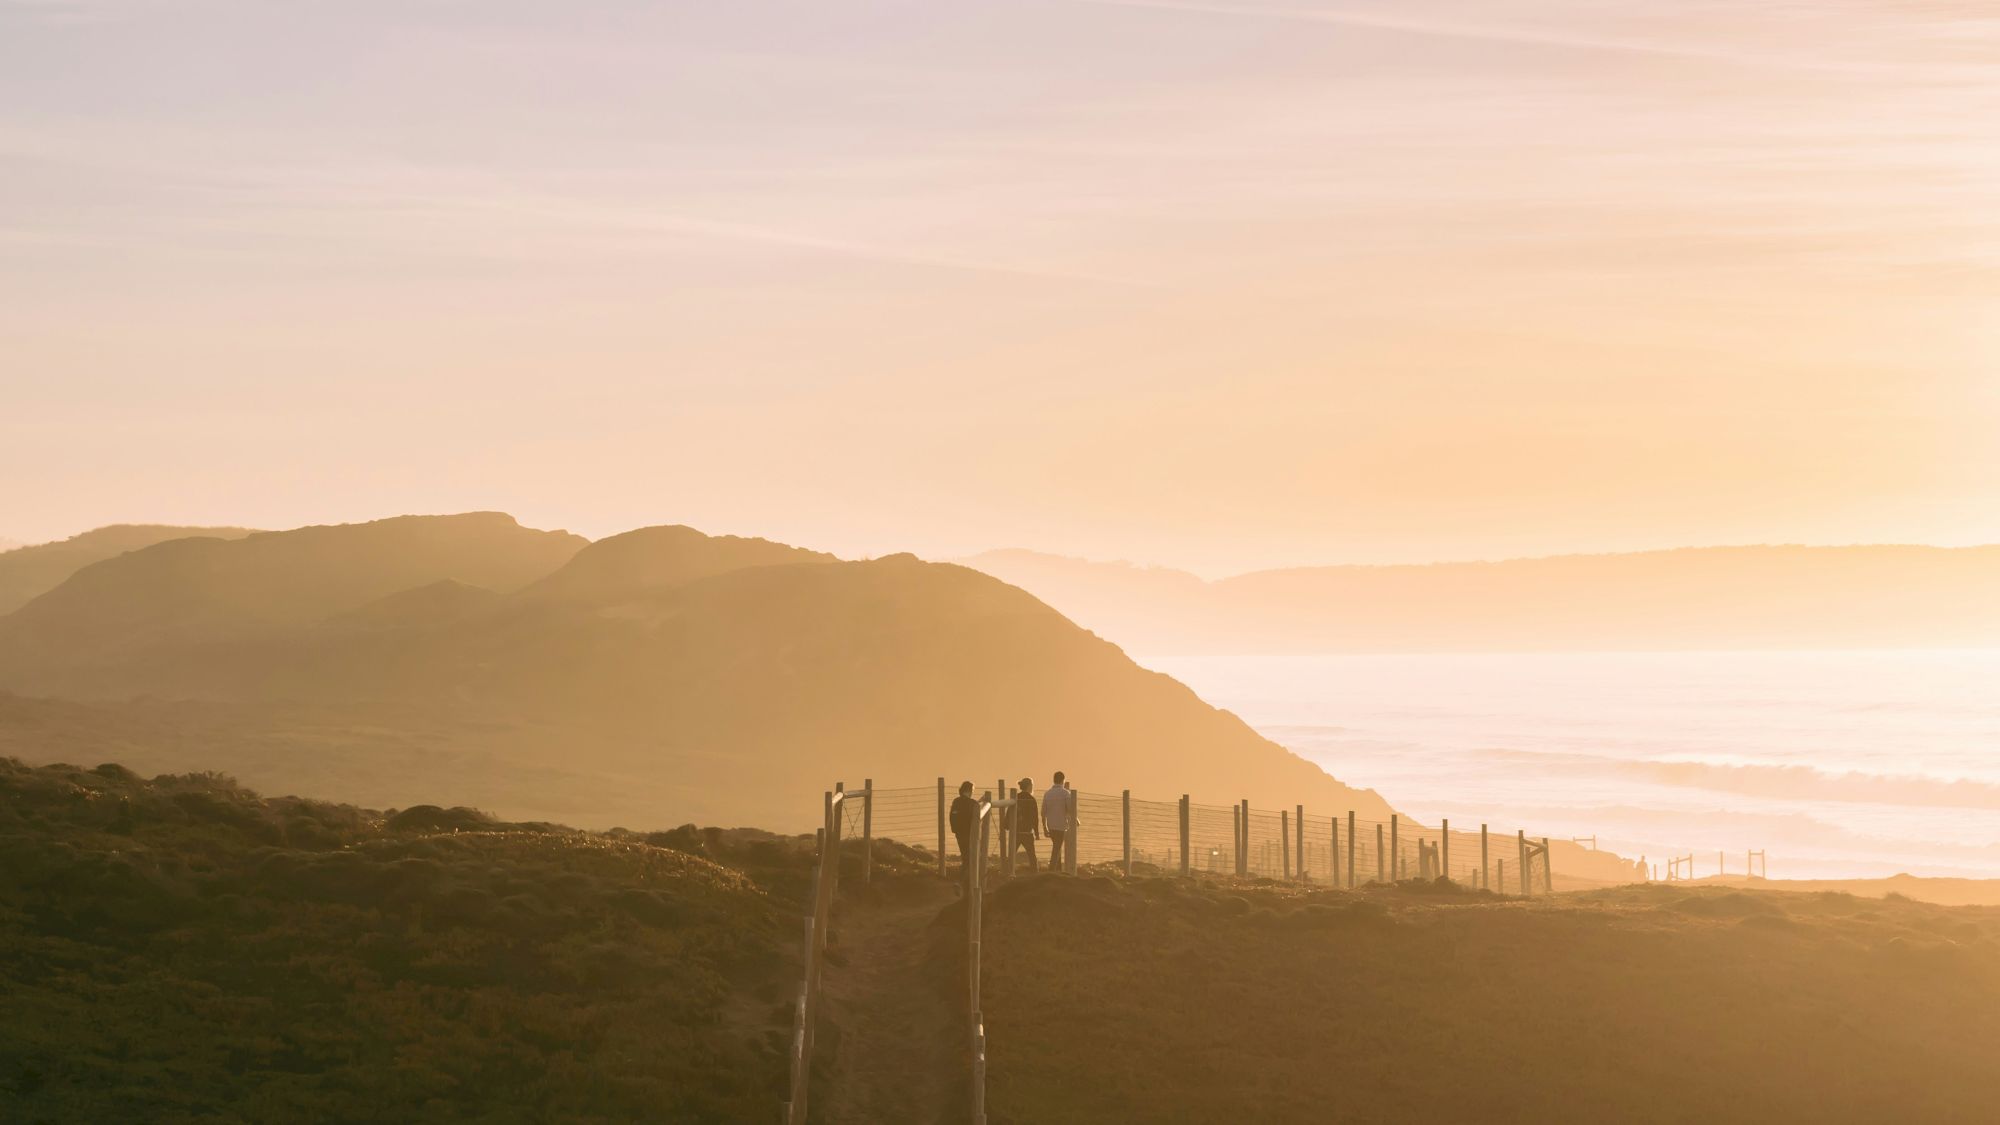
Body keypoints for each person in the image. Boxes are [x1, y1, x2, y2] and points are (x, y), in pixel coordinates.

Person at [949, 780, 980, 891]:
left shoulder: (956, 801)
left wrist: (955, 830)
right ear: (969, 790)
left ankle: (963, 882)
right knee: (970, 859)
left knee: (965, 857)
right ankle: (962, 882)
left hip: (959, 834)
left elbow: (952, 817)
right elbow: (975, 815)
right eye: (972, 790)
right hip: (970, 835)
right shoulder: (973, 804)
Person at [1043, 771, 1074, 873]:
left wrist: (1044, 827)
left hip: (1051, 825)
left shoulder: (1047, 794)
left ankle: (1058, 871)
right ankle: (1051, 870)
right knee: (1057, 848)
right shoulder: (1066, 793)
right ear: (1063, 780)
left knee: (1057, 846)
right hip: (1061, 825)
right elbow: (1070, 809)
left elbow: (1043, 812)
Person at [1011, 778, 1040, 873]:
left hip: (1016, 832)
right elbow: (1035, 818)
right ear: (1029, 786)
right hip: (1027, 833)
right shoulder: (1031, 799)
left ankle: (1008, 873)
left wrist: (1006, 825)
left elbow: (1009, 813)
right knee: (1032, 856)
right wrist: (1036, 832)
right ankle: (1035, 876)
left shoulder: (1015, 797)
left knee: (1011, 855)